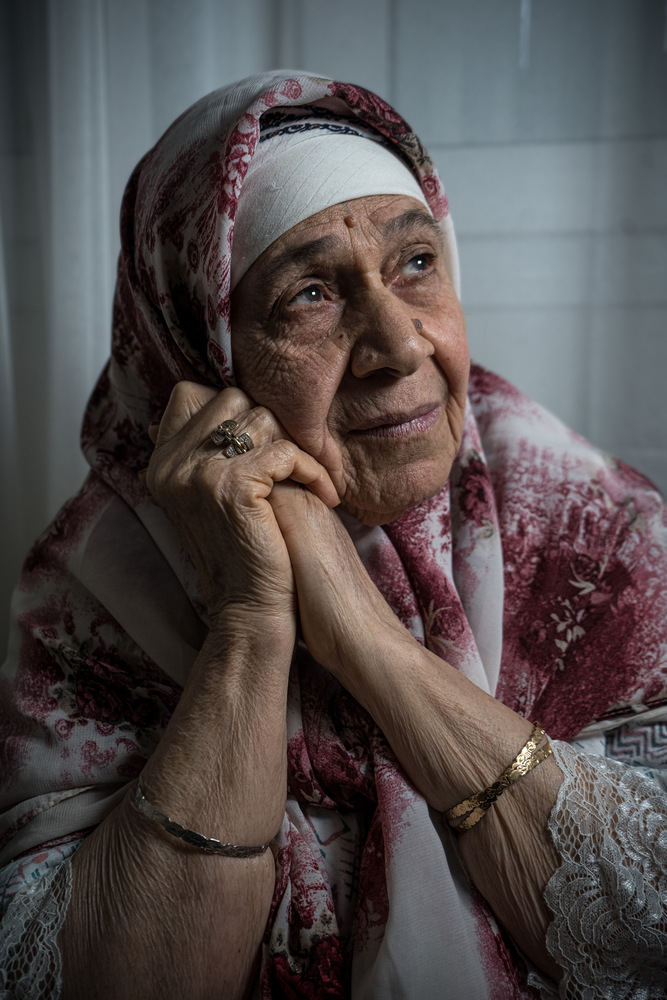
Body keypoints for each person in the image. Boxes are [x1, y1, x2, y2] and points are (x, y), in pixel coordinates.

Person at [1, 70, 666, 1000]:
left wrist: (367, 641)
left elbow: (647, 931)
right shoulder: (96, 595)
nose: (399, 345)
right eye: (310, 293)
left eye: (416, 264)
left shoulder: (584, 526)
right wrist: (251, 619)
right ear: (202, 348)